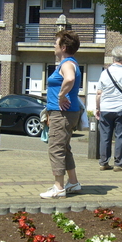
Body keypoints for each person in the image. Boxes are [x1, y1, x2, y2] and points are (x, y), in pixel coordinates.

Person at [40, 30, 82, 199]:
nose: (53, 47)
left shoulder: (67, 64)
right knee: (64, 148)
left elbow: (70, 79)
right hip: (64, 113)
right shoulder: (70, 63)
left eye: (55, 44)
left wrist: (61, 95)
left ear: (63, 47)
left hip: (62, 113)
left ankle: (58, 187)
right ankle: (73, 182)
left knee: (56, 148)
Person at [95, 46, 122, 172]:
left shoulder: (105, 73)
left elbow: (99, 93)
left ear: (113, 58)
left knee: (105, 136)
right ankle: (118, 164)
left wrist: (98, 108)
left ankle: (103, 163)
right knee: (120, 136)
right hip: (121, 109)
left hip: (105, 108)